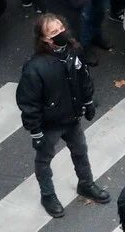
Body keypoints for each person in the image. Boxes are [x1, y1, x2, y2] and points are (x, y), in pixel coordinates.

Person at [15, 13, 110, 216]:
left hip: (72, 118)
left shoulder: (73, 51)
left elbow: (83, 78)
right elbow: (28, 102)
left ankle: (86, 184)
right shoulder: (35, 67)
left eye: (60, 28)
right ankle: (47, 195)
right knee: (44, 160)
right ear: (45, 39)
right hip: (50, 124)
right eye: (54, 31)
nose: (61, 33)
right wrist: (35, 131)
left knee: (81, 151)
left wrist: (88, 101)